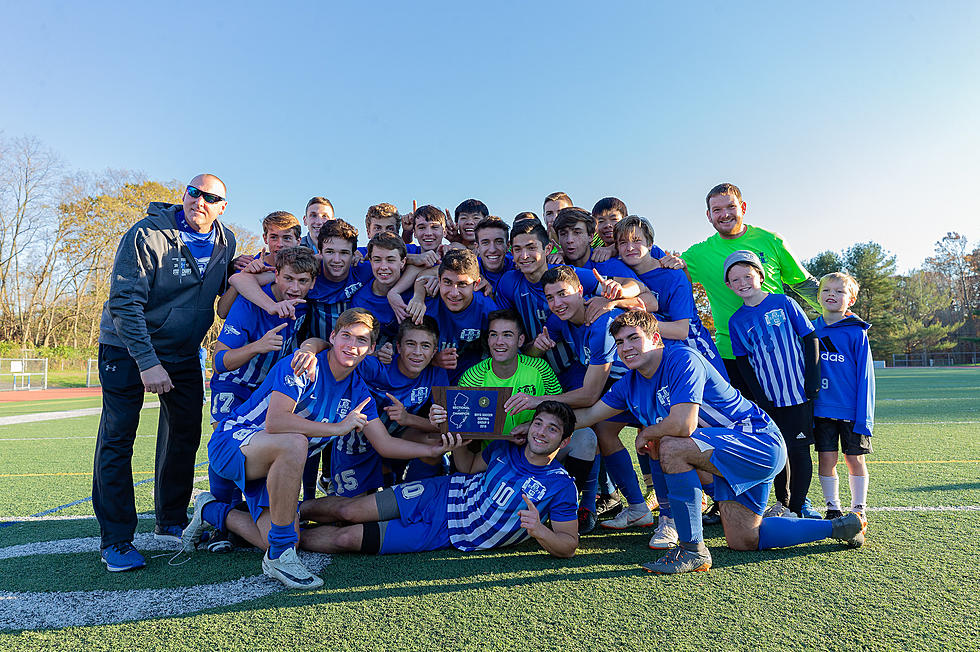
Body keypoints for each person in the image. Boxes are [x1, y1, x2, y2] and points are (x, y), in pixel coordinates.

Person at [572, 310, 865, 575]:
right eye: (620, 343)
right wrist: (538, 415)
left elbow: (683, 425)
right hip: (725, 453)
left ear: (656, 338)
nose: (626, 348)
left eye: (633, 338)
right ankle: (840, 527)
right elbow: (589, 415)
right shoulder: (629, 383)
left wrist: (648, 433)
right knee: (745, 539)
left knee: (671, 444)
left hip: (757, 441)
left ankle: (691, 549)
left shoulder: (681, 358)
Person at [184, 309, 458, 588]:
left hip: (273, 467)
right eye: (346, 336)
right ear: (332, 337)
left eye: (361, 340)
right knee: (294, 441)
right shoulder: (305, 363)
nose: (352, 345)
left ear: (372, 348)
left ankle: (211, 510)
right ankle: (279, 557)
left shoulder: (358, 391)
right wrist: (338, 428)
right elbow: (277, 421)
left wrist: (433, 451)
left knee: (285, 536)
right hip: (234, 445)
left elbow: (385, 444)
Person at [94, 173, 237, 572]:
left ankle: (170, 520)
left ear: (222, 207)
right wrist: (146, 361)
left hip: (182, 351)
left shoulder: (226, 242)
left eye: (211, 197)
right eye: (194, 192)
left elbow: (226, 287)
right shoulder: (147, 234)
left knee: (185, 431)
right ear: (185, 195)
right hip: (127, 348)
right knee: (119, 437)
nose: (200, 201)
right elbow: (124, 303)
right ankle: (116, 540)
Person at [297, 401, 580, 558]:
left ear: (564, 440)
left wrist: (540, 531)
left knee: (347, 537)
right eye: (538, 424)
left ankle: (282, 539)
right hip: (440, 492)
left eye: (552, 429)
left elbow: (568, 545)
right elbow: (467, 467)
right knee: (348, 510)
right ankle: (288, 514)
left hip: (447, 532)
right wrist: (457, 442)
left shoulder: (561, 485)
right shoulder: (506, 447)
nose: (541, 432)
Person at [662, 183, 820, 398]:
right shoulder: (698, 254)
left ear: (743, 207)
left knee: (793, 421)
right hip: (732, 353)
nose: (725, 214)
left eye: (731, 207)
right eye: (717, 210)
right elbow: (663, 276)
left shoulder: (771, 240)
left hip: (782, 348)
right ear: (708, 215)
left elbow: (803, 283)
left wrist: (842, 313)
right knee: (746, 423)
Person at [725, 251, 820, 518]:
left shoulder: (784, 302)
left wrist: (811, 379)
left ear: (760, 276)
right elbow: (743, 362)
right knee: (776, 449)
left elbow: (810, 338)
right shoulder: (736, 321)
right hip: (768, 399)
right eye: (735, 279)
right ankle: (783, 501)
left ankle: (799, 507)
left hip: (797, 393)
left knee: (799, 450)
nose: (743, 282)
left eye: (748, 275)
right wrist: (758, 396)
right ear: (729, 286)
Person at [812, 272, 875, 519]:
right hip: (821, 410)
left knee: (855, 460)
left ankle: (859, 510)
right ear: (818, 296)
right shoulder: (809, 329)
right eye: (827, 290)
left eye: (840, 292)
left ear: (850, 301)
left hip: (850, 410)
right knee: (826, 460)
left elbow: (866, 377)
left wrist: (865, 418)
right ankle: (832, 508)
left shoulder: (857, 332)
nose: (832, 295)